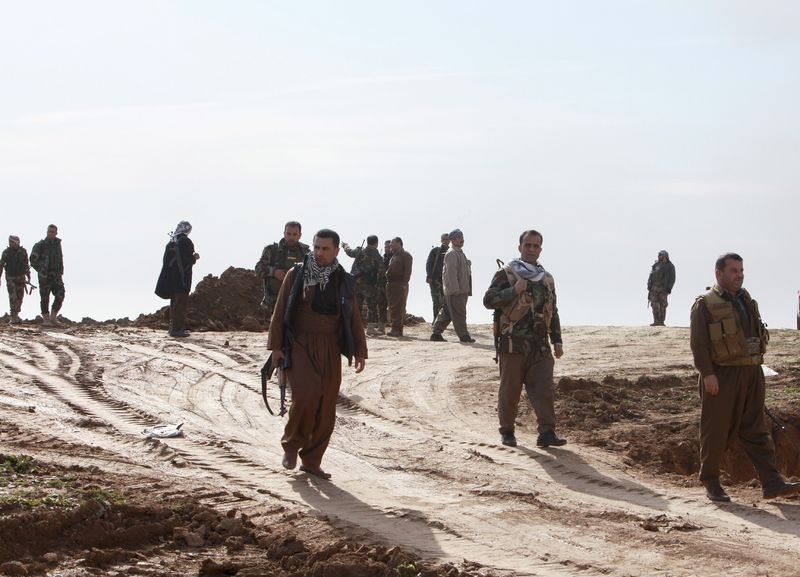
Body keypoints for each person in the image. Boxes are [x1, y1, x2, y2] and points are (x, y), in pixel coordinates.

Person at [690, 253, 800, 502]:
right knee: (715, 429)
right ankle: (711, 482)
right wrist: (708, 374)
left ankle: (772, 483)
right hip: (722, 375)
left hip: (751, 373)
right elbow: (698, 343)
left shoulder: (747, 300)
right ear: (718, 273)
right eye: (733, 270)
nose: (739, 275)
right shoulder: (705, 304)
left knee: (756, 429)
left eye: (741, 270)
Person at [268, 229, 367, 479]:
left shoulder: (343, 280)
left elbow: (353, 316)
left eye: (325, 248)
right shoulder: (297, 274)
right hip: (300, 343)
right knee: (305, 395)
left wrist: (359, 350)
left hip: (330, 347)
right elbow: (280, 311)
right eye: (316, 247)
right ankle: (291, 446)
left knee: (326, 407)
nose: (319, 253)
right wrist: (277, 347)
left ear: (336, 250)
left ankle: (312, 460)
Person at [484, 230, 566, 448]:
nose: (531, 249)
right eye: (527, 245)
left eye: (535, 246)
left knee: (544, 390)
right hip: (512, 344)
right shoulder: (508, 274)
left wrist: (557, 340)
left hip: (539, 346)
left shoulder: (546, 279)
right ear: (519, 247)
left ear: (540, 249)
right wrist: (513, 291)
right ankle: (507, 431)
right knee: (510, 390)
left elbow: (553, 310)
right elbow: (489, 300)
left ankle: (547, 432)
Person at [255, 221, 310, 329]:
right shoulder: (272, 250)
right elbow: (258, 269)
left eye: (295, 234)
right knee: (276, 332)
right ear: (284, 233)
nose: (291, 237)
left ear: (300, 235)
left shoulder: (306, 253)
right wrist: (273, 272)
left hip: (297, 301)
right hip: (274, 301)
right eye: (288, 234)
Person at [155, 221, 200, 338]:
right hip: (182, 278)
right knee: (180, 304)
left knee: (175, 303)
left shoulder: (171, 242)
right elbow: (187, 259)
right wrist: (194, 258)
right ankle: (177, 329)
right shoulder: (185, 241)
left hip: (171, 278)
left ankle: (173, 328)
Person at [431, 229, 474, 342]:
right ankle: (464, 336)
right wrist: (455, 289)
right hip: (456, 291)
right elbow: (451, 273)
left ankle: (436, 333)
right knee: (459, 313)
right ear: (453, 240)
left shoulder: (459, 252)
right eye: (459, 238)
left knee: (447, 313)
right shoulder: (452, 253)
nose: (461, 240)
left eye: (461, 237)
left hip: (460, 290)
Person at [342, 236, 387, 336]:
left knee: (357, 306)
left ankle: (354, 327)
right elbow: (382, 272)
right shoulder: (377, 255)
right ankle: (370, 328)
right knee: (371, 305)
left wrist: (345, 246)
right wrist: (379, 285)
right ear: (376, 243)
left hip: (356, 283)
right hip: (369, 285)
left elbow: (349, 252)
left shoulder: (360, 251)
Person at [29, 224, 65, 326]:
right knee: (45, 298)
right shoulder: (40, 245)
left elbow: (60, 258)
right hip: (45, 276)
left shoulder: (58, 244)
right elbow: (32, 259)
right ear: (47, 232)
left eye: (53, 232)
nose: (51, 233)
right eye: (49, 231)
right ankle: (46, 319)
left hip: (56, 275)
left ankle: (53, 317)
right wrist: (41, 270)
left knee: (61, 294)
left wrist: (60, 271)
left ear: (56, 233)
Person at [0, 236, 31, 324]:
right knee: (13, 297)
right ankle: (13, 317)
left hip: (21, 277)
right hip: (10, 277)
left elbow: (26, 264)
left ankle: (16, 315)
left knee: (20, 297)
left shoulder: (23, 252)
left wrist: (28, 275)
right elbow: (1, 265)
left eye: (14, 242)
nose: (13, 244)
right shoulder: (6, 252)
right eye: (11, 242)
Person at [385, 237, 413, 337]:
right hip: (391, 284)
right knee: (393, 306)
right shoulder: (394, 256)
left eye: (392, 243)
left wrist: (404, 284)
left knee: (398, 307)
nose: (390, 245)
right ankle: (396, 329)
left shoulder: (405, 255)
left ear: (399, 243)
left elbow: (407, 271)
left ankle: (396, 329)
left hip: (399, 284)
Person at [647, 250, 676, 326]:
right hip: (654, 288)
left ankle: (661, 321)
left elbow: (672, 278)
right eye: (659, 255)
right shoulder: (655, 265)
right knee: (654, 304)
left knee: (663, 305)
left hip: (663, 289)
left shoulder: (670, 266)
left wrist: (669, 287)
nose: (659, 256)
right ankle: (656, 321)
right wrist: (649, 285)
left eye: (661, 255)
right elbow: (651, 276)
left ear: (665, 256)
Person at [425, 233, 450, 322]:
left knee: (446, 302)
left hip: (447, 281)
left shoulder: (451, 252)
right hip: (435, 280)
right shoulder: (435, 251)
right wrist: (429, 275)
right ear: (441, 240)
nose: (446, 241)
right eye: (444, 239)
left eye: (447, 239)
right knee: (436, 301)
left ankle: (442, 321)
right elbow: (429, 263)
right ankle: (436, 321)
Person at [378, 240, 392, 328]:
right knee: (381, 305)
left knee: (392, 305)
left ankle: (394, 324)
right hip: (381, 285)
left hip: (391, 285)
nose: (387, 249)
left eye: (388, 247)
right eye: (386, 247)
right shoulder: (382, 258)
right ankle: (381, 326)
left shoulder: (394, 258)